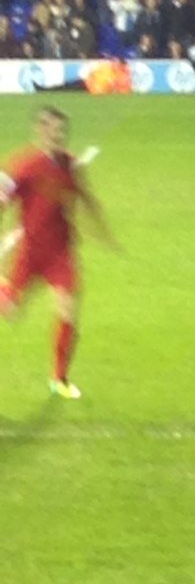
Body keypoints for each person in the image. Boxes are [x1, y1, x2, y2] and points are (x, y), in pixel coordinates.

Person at [0, 107, 119, 400]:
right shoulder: (23, 166)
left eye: (62, 131)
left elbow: (86, 199)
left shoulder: (70, 165)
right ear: (40, 130)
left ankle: (59, 378)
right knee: (12, 313)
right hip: (32, 251)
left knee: (68, 312)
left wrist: (102, 233)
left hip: (61, 253)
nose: (59, 136)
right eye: (53, 130)